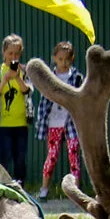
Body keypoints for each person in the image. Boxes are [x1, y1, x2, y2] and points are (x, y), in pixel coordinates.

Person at [35, 41, 83, 197]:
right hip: (54, 123)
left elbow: (80, 97)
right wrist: (42, 121)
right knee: (52, 156)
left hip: (71, 122)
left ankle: (75, 191)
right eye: (60, 59)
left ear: (72, 58)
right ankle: (44, 189)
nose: (64, 62)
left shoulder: (76, 77)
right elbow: (44, 101)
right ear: (54, 58)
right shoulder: (50, 77)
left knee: (73, 155)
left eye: (67, 59)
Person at [0, 33, 33, 184]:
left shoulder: (25, 71)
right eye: (10, 53)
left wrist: (17, 77)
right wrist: (5, 79)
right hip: (2, 124)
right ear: (4, 53)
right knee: (3, 157)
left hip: (20, 123)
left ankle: (21, 186)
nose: (13, 57)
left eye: (17, 54)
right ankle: (3, 186)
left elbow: (28, 90)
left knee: (20, 158)